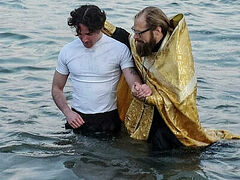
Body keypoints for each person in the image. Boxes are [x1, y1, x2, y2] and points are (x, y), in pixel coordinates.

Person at [103, 6, 240, 150]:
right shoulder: (145, 42)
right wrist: (101, 25)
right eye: (134, 30)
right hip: (149, 118)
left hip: (175, 127)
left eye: (139, 33)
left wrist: (148, 95)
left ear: (157, 30)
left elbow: (178, 100)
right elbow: (127, 38)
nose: (136, 36)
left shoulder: (177, 61)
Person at [51, 5, 152, 136]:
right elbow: (56, 88)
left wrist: (140, 88)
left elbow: (132, 81)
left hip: (108, 120)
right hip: (76, 118)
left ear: (100, 28)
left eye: (89, 34)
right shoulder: (67, 51)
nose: (84, 39)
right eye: (79, 34)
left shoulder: (119, 49)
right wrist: (68, 112)